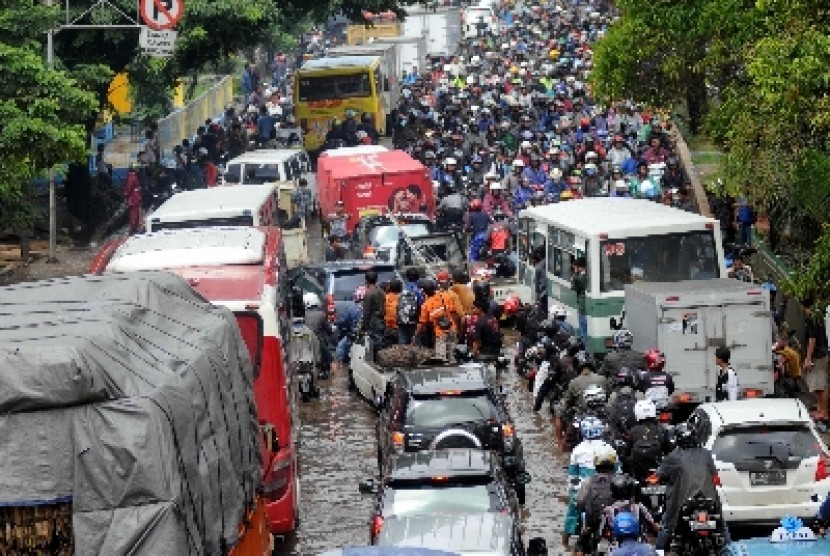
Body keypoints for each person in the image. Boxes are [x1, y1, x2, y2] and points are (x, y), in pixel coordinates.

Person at [656, 423, 727, 551]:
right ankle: (730, 549)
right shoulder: (706, 454)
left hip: (684, 504)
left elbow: (659, 476)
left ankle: (659, 552)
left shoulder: (673, 457)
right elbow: (715, 477)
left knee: (666, 524)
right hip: (709, 501)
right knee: (722, 526)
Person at [563, 420, 616, 547]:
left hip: (585, 489)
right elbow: (618, 471)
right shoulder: (609, 448)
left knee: (572, 511)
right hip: (607, 488)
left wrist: (572, 492)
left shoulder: (578, 449)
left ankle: (565, 541)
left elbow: (572, 476)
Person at [574, 445, 620, 552]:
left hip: (593, 522)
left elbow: (580, 502)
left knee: (580, 544)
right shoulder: (620, 480)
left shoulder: (588, 482)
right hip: (617, 522)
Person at [414, 278, 458, 361]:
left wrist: (415, 335)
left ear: (424, 292)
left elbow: (421, 323)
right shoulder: (445, 296)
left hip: (440, 334)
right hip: (452, 329)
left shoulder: (426, 305)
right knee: (452, 357)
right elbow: (453, 312)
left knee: (441, 359)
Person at [628, 400, 671, 480]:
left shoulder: (633, 431)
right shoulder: (661, 429)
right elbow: (668, 449)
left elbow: (627, 451)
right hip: (657, 467)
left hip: (639, 469)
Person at [803, 298, 829, 422]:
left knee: (821, 385)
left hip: (818, 355)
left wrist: (808, 358)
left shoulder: (812, 317)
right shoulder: (817, 316)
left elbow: (812, 339)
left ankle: (824, 413)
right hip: (819, 354)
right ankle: (820, 409)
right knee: (816, 385)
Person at [303, 293, 332, 378]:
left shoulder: (303, 314)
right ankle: (325, 371)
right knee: (328, 357)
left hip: (304, 342)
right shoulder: (322, 315)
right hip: (318, 343)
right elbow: (329, 331)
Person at [335, 287, 364, 367]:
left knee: (340, 346)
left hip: (355, 334)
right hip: (367, 334)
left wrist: (336, 322)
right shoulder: (369, 307)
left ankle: (339, 365)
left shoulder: (353, 308)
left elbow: (344, 321)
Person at [360, 271, 386, 359]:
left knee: (375, 343)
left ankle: (377, 361)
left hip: (373, 321)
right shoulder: (382, 292)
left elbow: (366, 312)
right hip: (382, 320)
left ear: (366, 281)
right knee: (380, 341)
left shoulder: (368, 294)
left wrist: (363, 327)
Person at [397, 268, 424, 345]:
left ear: (406, 277)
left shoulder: (402, 290)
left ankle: (401, 356)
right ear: (418, 278)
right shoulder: (418, 291)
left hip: (401, 320)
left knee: (402, 343)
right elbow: (421, 306)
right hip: (414, 321)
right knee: (416, 342)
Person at [571, 256, 588, 345]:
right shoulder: (590, 275)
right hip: (586, 307)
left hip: (582, 307)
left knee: (583, 333)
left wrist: (575, 274)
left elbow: (573, 287)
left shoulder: (579, 278)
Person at [383, 279, 403, 347]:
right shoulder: (402, 298)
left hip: (387, 328)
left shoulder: (384, 297)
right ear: (400, 288)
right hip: (399, 329)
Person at [124, 164, 142, 235]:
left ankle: (135, 228)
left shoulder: (131, 177)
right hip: (134, 198)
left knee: (135, 213)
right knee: (134, 214)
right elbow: (128, 188)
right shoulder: (132, 177)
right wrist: (126, 195)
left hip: (134, 197)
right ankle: (133, 228)